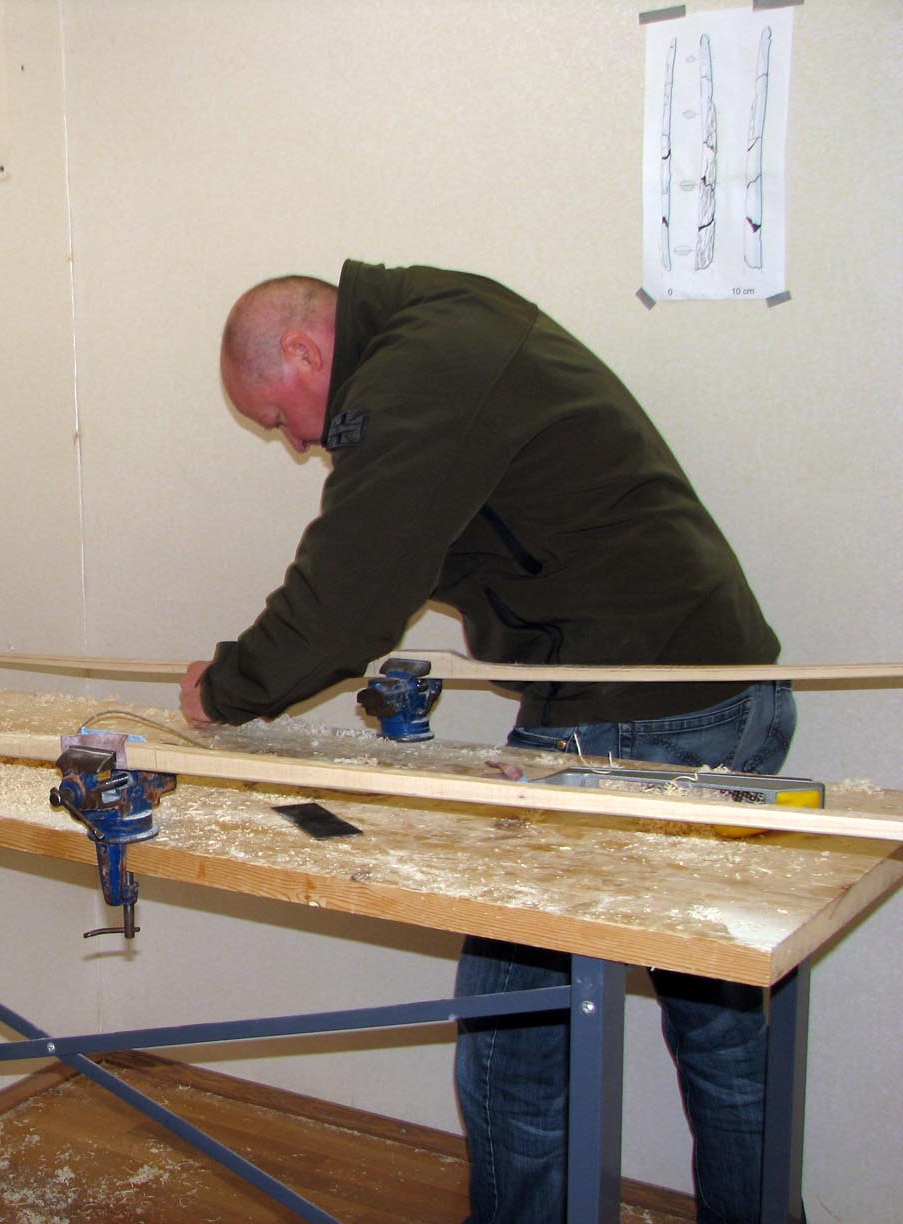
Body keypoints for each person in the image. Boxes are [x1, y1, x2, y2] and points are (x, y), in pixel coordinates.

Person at [179, 262, 794, 1224]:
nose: (295, 442)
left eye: (278, 417)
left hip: (630, 724)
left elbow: (349, 599)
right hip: (726, 694)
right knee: (720, 1027)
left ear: (303, 350)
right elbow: (427, 538)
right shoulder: (447, 320)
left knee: (517, 1034)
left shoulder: (417, 375)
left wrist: (223, 690)